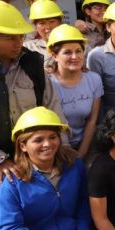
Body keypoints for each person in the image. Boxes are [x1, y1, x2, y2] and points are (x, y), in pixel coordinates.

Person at [0, 0, 67, 230]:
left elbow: (51, 106)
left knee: (38, 220)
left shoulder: (32, 63)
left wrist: (60, 146)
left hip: (37, 157)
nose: (18, 42)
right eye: (10, 37)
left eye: (20, 35)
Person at [0, 107, 102, 230]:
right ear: (23, 145)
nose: (47, 144)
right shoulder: (12, 181)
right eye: (38, 140)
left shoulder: (74, 165)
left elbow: (84, 203)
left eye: (53, 137)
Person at [47, 25, 102, 158]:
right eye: (67, 52)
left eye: (78, 51)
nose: (75, 56)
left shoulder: (93, 79)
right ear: (54, 55)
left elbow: (91, 120)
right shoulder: (47, 83)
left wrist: (81, 153)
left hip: (86, 145)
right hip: (54, 148)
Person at [24, 0, 64, 67]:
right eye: (42, 23)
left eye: (52, 22)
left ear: (60, 23)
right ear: (35, 26)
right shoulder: (28, 47)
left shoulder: (77, 45)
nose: (48, 27)